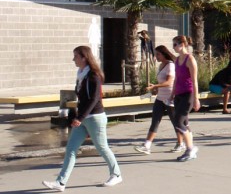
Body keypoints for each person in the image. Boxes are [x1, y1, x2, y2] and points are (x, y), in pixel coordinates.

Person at [42, 46, 122, 191]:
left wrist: (80, 117)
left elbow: (94, 99)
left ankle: (116, 174)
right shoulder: (81, 74)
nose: (73, 59)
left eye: (76, 57)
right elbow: (81, 98)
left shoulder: (93, 76)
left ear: (84, 57)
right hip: (83, 118)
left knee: (102, 147)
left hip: (95, 118)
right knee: (71, 149)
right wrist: (77, 116)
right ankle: (61, 182)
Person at [134, 45, 184, 155]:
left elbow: (169, 82)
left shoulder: (170, 65)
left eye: (158, 54)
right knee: (155, 121)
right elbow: (163, 83)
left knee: (175, 122)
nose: (156, 56)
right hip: (160, 98)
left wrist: (155, 86)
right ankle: (147, 145)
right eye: (155, 54)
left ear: (164, 54)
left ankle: (180, 143)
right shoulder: (161, 65)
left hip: (170, 98)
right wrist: (155, 87)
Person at [170, 35, 200, 162]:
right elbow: (176, 78)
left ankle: (190, 148)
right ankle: (191, 148)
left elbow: (194, 81)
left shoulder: (190, 59)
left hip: (188, 93)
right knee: (185, 122)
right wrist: (172, 93)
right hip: (178, 94)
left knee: (178, 121)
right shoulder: (177, 60)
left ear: (182, 44)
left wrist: (196, 98)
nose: (174, 47)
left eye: (175, 44)